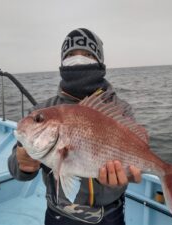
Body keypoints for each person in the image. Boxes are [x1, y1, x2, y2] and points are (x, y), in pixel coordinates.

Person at [8, 28, 142, 225]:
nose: (78, 59)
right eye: (70, 55)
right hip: (58, 213)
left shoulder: (120, 109)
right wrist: (22, 165)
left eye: (87, 54)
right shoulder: (43, 110)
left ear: (99, 60)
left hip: (109, 214)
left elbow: (135, 153)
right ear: (62, 62)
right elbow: (15, 165)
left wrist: (119, 181)